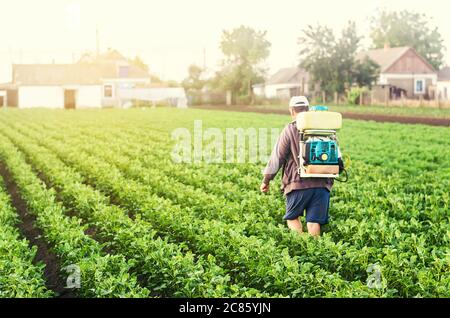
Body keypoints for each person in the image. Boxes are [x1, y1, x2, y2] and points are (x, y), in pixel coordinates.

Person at [260, 96, 343, 237]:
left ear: (292, 111)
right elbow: (337, 156)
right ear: (308, 109)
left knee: (292, 218)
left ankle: (301, 246)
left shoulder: (291, 129)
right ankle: (315, 253)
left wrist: (266, 180)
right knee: (313, 222)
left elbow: (277, 157)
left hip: (297, 183)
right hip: (322, 183)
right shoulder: (324, 128)